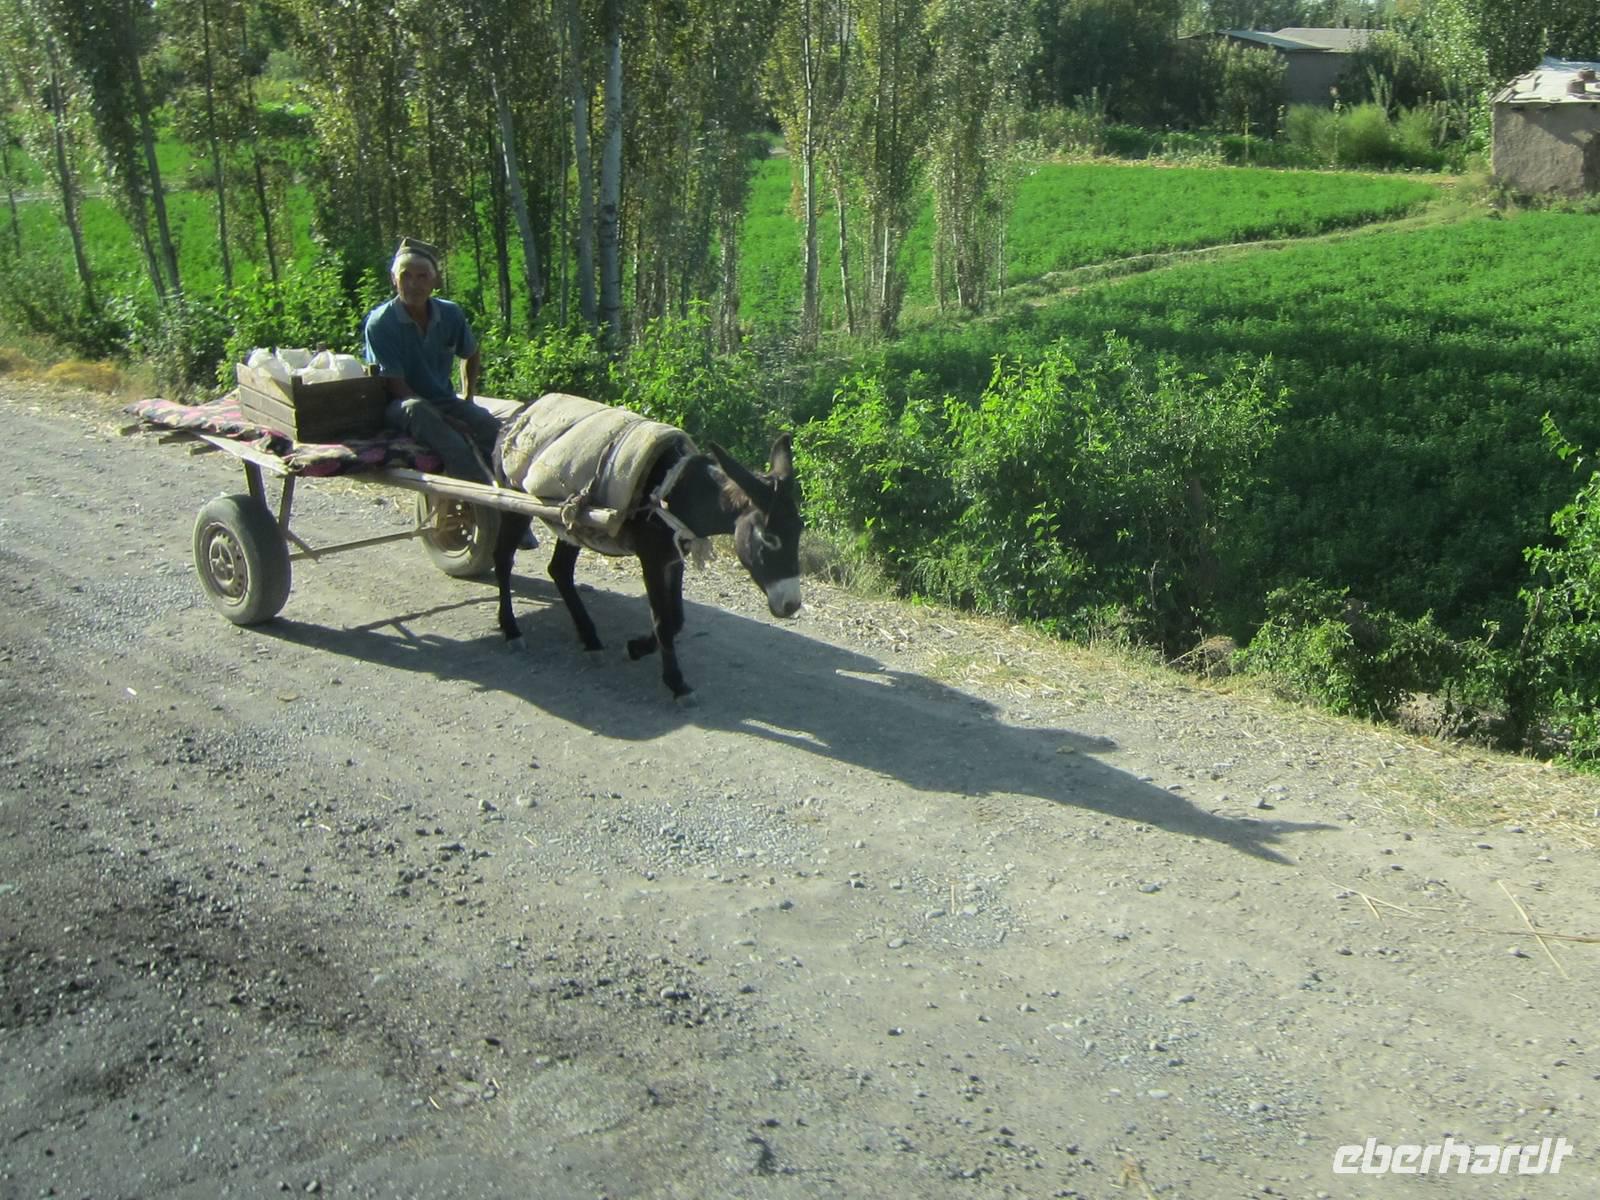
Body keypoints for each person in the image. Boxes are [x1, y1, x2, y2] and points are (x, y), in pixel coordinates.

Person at [362, 237, 502, 483]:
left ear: (435, 281)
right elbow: (396, 386)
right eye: (406, 276)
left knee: (489, 426)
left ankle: (508, 485)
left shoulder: (450, 313)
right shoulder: (382, 322)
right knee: (425, 417)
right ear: (394, 280)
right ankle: (478, 488)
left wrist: (468, 397)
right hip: (400, 406)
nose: (413, 284)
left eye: (422, 276)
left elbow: (470, 352)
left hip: (443, 399)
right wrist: (447, 420)